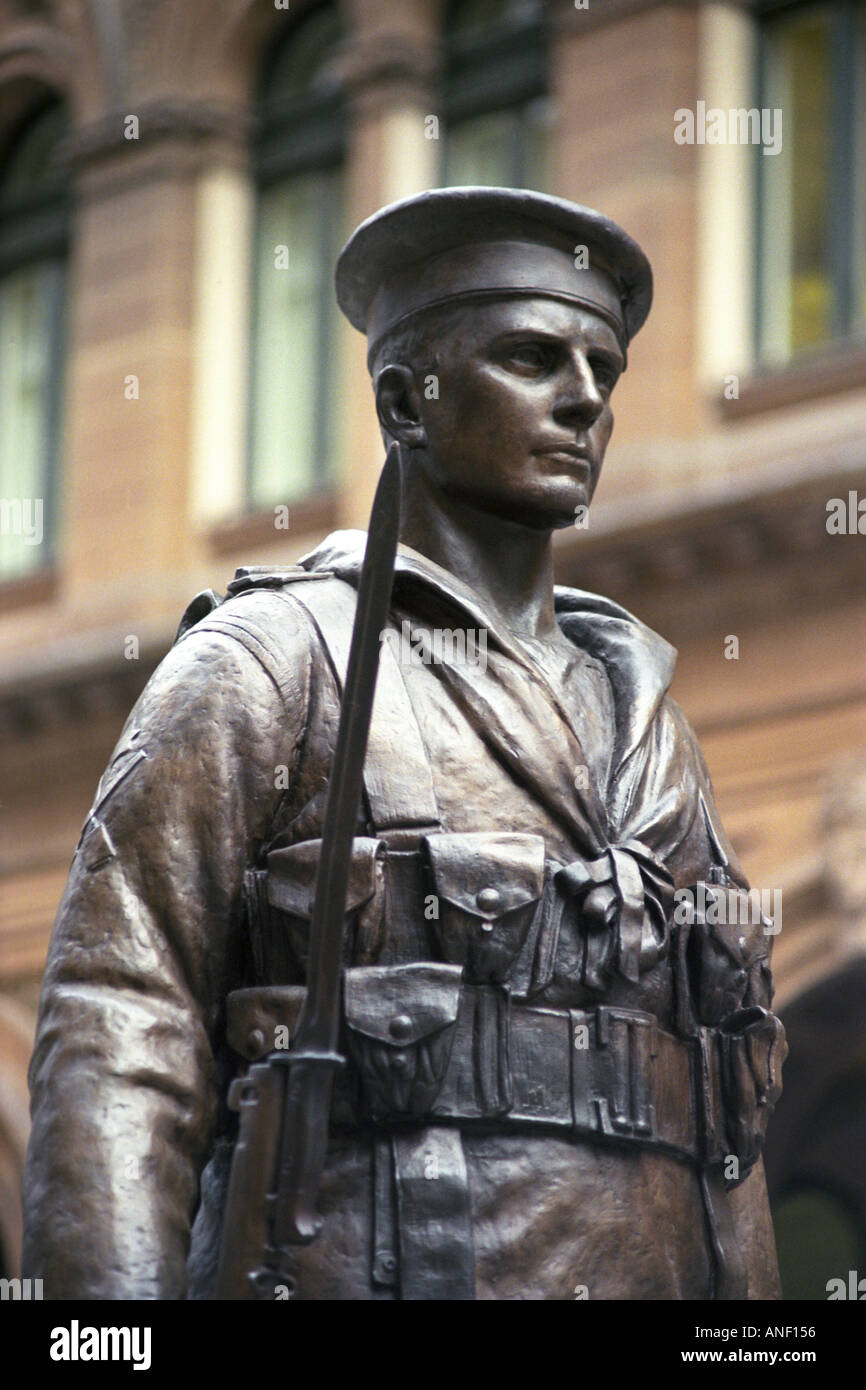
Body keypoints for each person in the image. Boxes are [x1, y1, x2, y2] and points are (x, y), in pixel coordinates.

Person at [22, 187, 785, 1300]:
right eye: (531, 359)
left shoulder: (653, 729)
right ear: (402, 401)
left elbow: (726, 1103)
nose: (583, 402)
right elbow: (118, 1031)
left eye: (602, 373)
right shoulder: (273, 661)